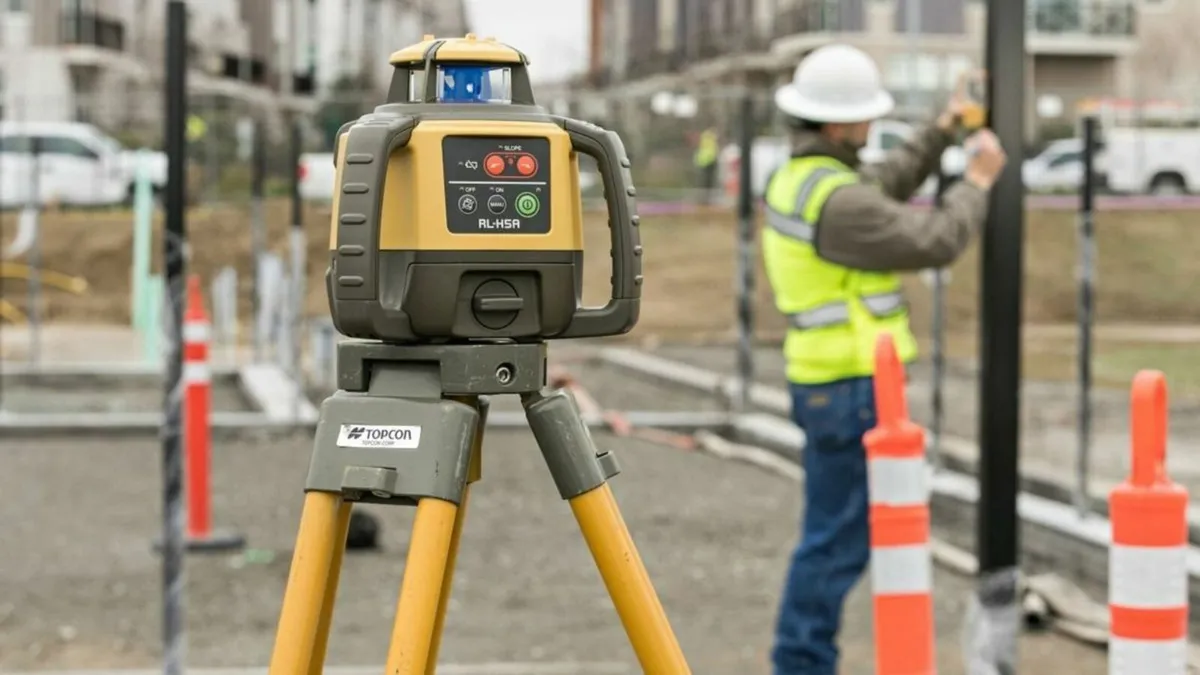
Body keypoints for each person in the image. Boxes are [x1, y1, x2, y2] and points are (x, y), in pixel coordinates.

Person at [763, 44, 1008, 675]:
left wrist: (943, 128)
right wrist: (977, 183)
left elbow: (888, 181)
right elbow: (934, 239)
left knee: (834, 535)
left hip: (830, 382)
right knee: (835, 543)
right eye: (865, 115)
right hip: (849, 387)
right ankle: (800, 664)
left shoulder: (811, 180)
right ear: (839, 124)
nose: (871, 124)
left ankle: (800, 659)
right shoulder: (840, 202)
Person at [693, 126, 719, 204]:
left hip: (705, 161)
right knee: (707, 182)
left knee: (705, 182)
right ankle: (705, 199)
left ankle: (704, 199)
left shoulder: (705, 137)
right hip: (708, 161)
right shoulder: (709, 136)